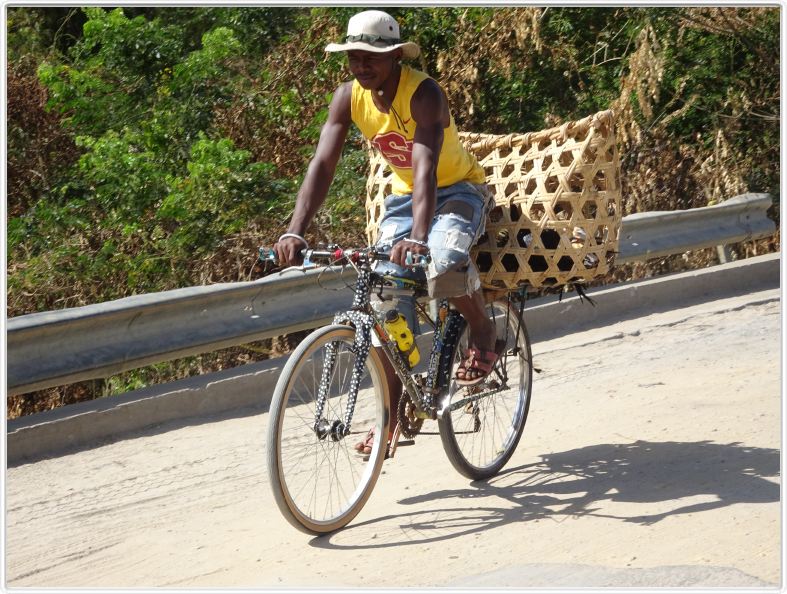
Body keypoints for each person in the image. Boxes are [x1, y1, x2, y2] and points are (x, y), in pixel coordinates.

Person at [274, 10, 502, 455]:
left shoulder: (424, 93)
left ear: (396, 55)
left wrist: (419, 237)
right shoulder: (348, 97)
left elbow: (425, 167)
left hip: (458, 191)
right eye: (354, 57)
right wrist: (295, 230)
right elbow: (322, 163)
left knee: (443, 260)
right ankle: (397, 415)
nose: (361, 66)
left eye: (371, 57)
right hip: (403, 199)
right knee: (385, 301)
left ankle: (482, 331)